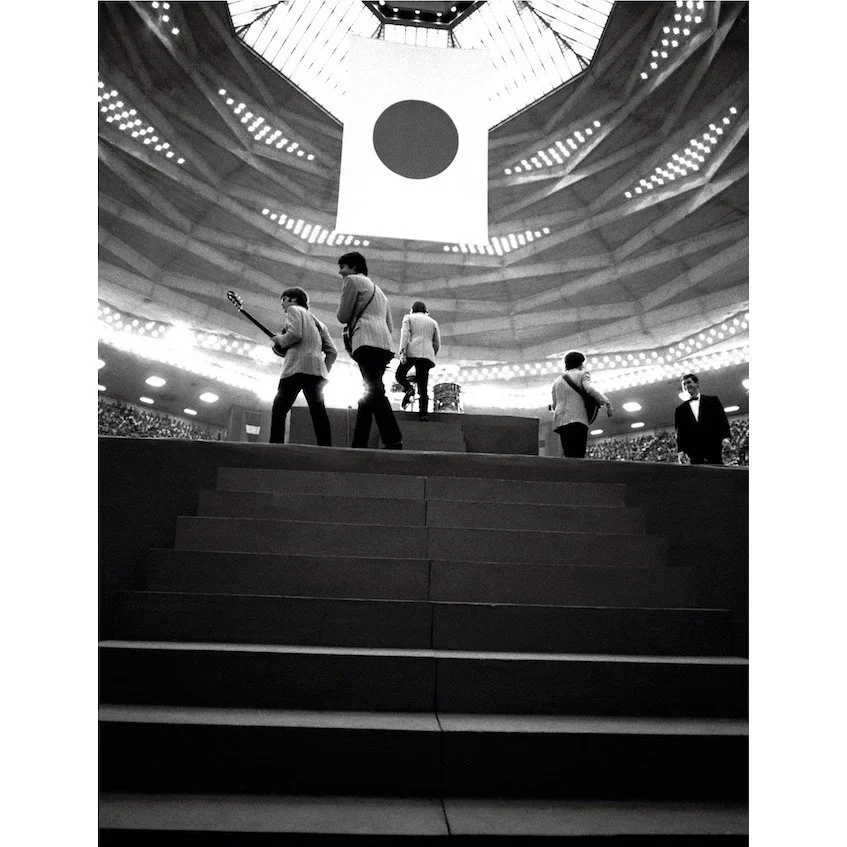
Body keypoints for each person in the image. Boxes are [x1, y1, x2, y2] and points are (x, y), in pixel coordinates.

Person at [335, 251, 403, 449]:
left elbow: (343, 315)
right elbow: (389, 325)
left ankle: (392, 438)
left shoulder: (352, 281)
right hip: (383, 344)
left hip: (365, 340)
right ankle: (359, 442)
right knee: (369, 391)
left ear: (354, 267)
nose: (341, 272)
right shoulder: (380, 292)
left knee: (374, 390)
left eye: (343, 267)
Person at [269, 286, 337, 446]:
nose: (283, 306)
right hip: (316, 372)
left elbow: (295, 334)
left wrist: (279, 340)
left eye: (283, 301)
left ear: (292, 299)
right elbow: (332, 352)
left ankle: (275, 447)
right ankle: (326, 448)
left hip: (295, 369)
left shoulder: (293, 310)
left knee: (279, 409)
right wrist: (323, 371)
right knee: (318, 412)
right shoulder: (319, 324)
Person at [551, 350, 613, 458]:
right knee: (579, 454)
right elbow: (589, 389)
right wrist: (606, 402)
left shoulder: (557, 381)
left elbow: (554, 404)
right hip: (578, 420)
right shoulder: (582, 374)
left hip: (561, 422)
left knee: (568, 455)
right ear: (580, 363)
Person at [395, 301, 441, 421]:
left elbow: (405, 335)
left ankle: (408, 388)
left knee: (400, 374)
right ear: (425, 311)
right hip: (427, 355)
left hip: (412, 352)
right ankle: (423, 414)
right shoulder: (433, 322)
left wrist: (402, 351)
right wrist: (432, 354)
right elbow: (437, 343)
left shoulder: (408, 317)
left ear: (412, 309)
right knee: (423, 386)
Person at [674, 373, 731, 465]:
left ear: (697, 384)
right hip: (694, 450)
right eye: (684, 384)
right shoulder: (680, 410)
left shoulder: (713, 401)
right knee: (699, 477)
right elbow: (680, 432)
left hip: (713, 446)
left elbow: (722, 420)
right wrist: (681, 451)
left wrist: (726, 437)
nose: (686, 386)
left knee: (717, 474)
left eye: (689, 382)